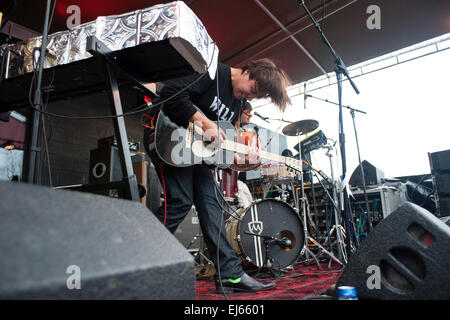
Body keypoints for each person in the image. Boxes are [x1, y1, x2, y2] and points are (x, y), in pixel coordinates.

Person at [149, 58, 291, 293]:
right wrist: (204, 123)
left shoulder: (237, 105)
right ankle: (132, 258)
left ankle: (230, 275)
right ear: (247, 72)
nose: (251, 98)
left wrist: (244, 163)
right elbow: (172, 93)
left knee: (212, 208)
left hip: (198, 157)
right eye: (254, 90)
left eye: (257, 96)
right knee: (180, 202)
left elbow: (221, 153)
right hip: (170, 139)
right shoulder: (212, 72)